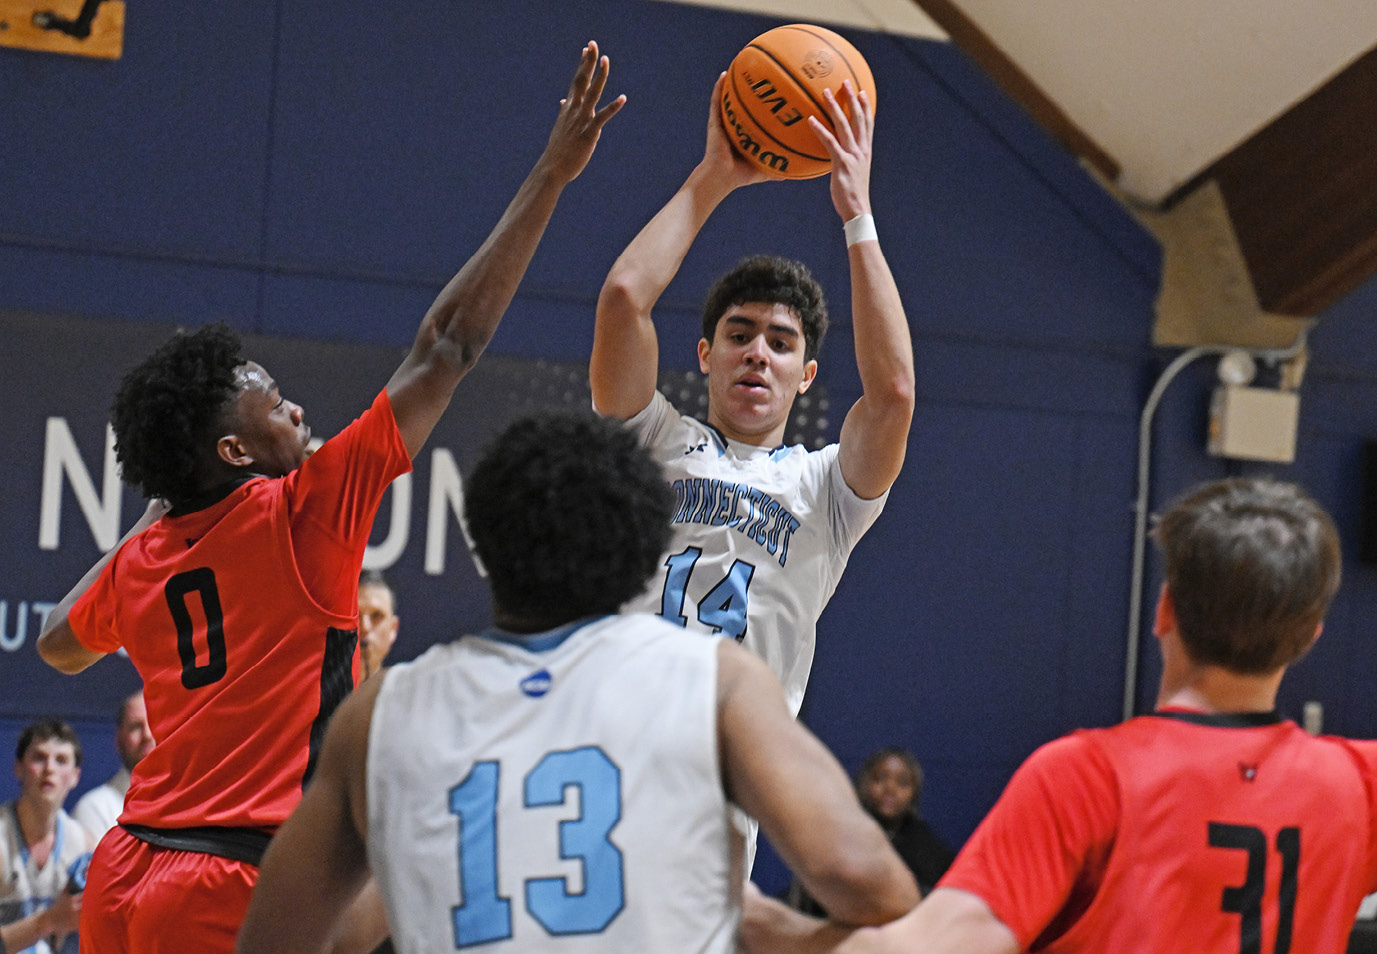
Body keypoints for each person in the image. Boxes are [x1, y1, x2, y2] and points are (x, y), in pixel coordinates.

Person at [34, 43, 624, 954]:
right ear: (234, 449)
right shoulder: (302, 510)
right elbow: (449, 347)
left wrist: (157, 513)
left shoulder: (147, 556)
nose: (297, 406)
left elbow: (59, 645)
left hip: (127, 869)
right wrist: (551, 173)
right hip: (232, 877)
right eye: (274, 400)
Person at [233, 411, 919, 954]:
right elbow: (875, 890)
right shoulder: (710, 683)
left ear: (484, 545)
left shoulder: (383, 710)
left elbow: (293, 941)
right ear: (640, 552)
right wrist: (757, 924)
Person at [742, 478, 1377, 954]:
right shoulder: (1372, 788)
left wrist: (744, 914)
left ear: (1164, 611)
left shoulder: (1089, 777)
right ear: (1311, 636)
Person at [589, 74, 915, 718]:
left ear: (807, 375)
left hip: (729, 782)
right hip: (618, 744)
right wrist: (716, 175)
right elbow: (626, 298)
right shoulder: (650, 439)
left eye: (781, 342)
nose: (758, 353)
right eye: (739, 334)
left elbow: (894, 393)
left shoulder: (825, 489)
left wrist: (857, 215)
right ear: (706, 355)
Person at [789, 747, 954, 914]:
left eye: (902, 782)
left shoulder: (926, 846)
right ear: (865, 783)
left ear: (914, 793)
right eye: (880, 778)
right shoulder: (840, 832)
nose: (890, 788)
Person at [0, 720, 90, 954]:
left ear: (75, 776)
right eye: (39, 757)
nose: (49, 768)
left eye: (61, 760)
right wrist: (48, 921)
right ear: (18, 768)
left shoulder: (85, 845)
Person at [70, 692, 154, 843]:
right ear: (119, 739)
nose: (147, 735)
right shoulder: (95, 809)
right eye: (136, 727)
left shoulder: (192, 803)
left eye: (154, 723)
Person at [356, 570, 399, 681]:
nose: (364, 627)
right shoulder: (307, 694)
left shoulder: (407, 696)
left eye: (376, 616)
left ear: (393, 628)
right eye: (354, 615)